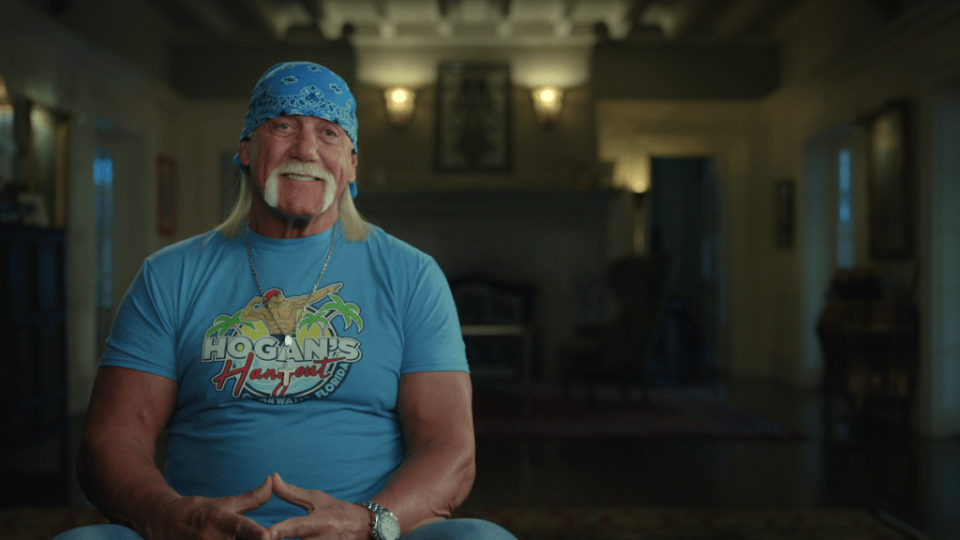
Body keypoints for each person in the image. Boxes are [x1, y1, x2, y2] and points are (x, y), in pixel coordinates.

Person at [57, 62, 516, 540]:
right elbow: (110, 441)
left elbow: (450, 449)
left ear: (352, 162)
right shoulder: (169, 275)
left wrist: (365, 523)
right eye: (282, 126)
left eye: (329, 133)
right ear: (246, 149)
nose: (305, 149)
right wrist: (174, 517)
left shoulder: (412, 276)